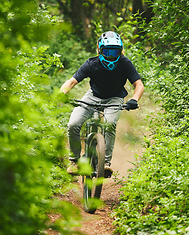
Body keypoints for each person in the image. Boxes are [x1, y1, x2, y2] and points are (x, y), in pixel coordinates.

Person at [60, 31, 145, 176]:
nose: (111, 55)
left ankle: (105, 163)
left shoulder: (125, 63)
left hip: (115, 98)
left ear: (121, 51)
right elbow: (72, 81)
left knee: (110, 123)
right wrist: (62, 93)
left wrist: (134, 100)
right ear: (99, 50)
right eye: (107, 51)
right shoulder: (91, 64)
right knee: (73, 124)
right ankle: (74, 161)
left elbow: (139, 85)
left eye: (115, 51)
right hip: (92, 97)